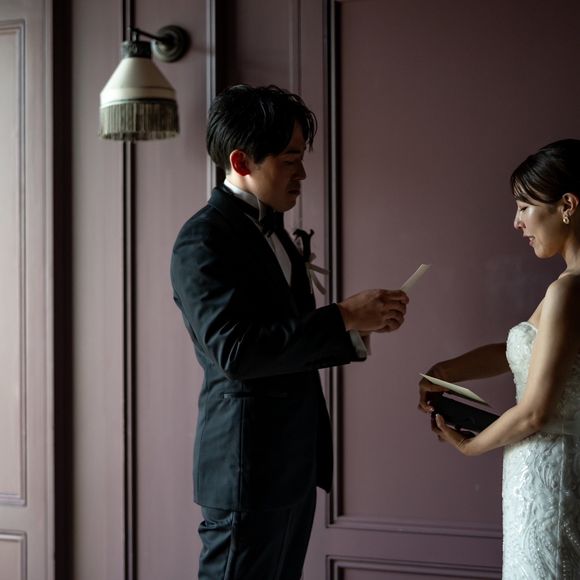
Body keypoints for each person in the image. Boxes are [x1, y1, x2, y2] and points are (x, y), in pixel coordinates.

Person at [171, 84, 409, 580]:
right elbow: (236, 352)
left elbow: (285, 341)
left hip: (291, 466)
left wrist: (359, 328)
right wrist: (342, 316)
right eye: (290, 160)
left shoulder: (276, 230)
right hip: (246, 469)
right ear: (241, 161)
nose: (302, 173)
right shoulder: (202, 238)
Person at [418, 138, 580, 578]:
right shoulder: (569, 286)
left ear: (567, 205)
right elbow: (520, 352)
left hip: (547, 476)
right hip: (549, 473)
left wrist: (470, 446)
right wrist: (445, 372)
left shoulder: (568, 291)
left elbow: (535, 413)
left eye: (525, 207)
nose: (516, 222)